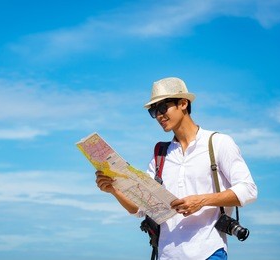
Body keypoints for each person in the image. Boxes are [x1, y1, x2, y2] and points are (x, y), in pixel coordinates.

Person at [95, 77, 257, 260]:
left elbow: (248, 190)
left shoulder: (219, 143)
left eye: (163, 107)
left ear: (183, 103)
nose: (158, 115)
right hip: (165, 254)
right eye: (153, 111)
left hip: (209, 252)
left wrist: (201, 200)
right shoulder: (160, 154)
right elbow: (140, 209)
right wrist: (114, 190)